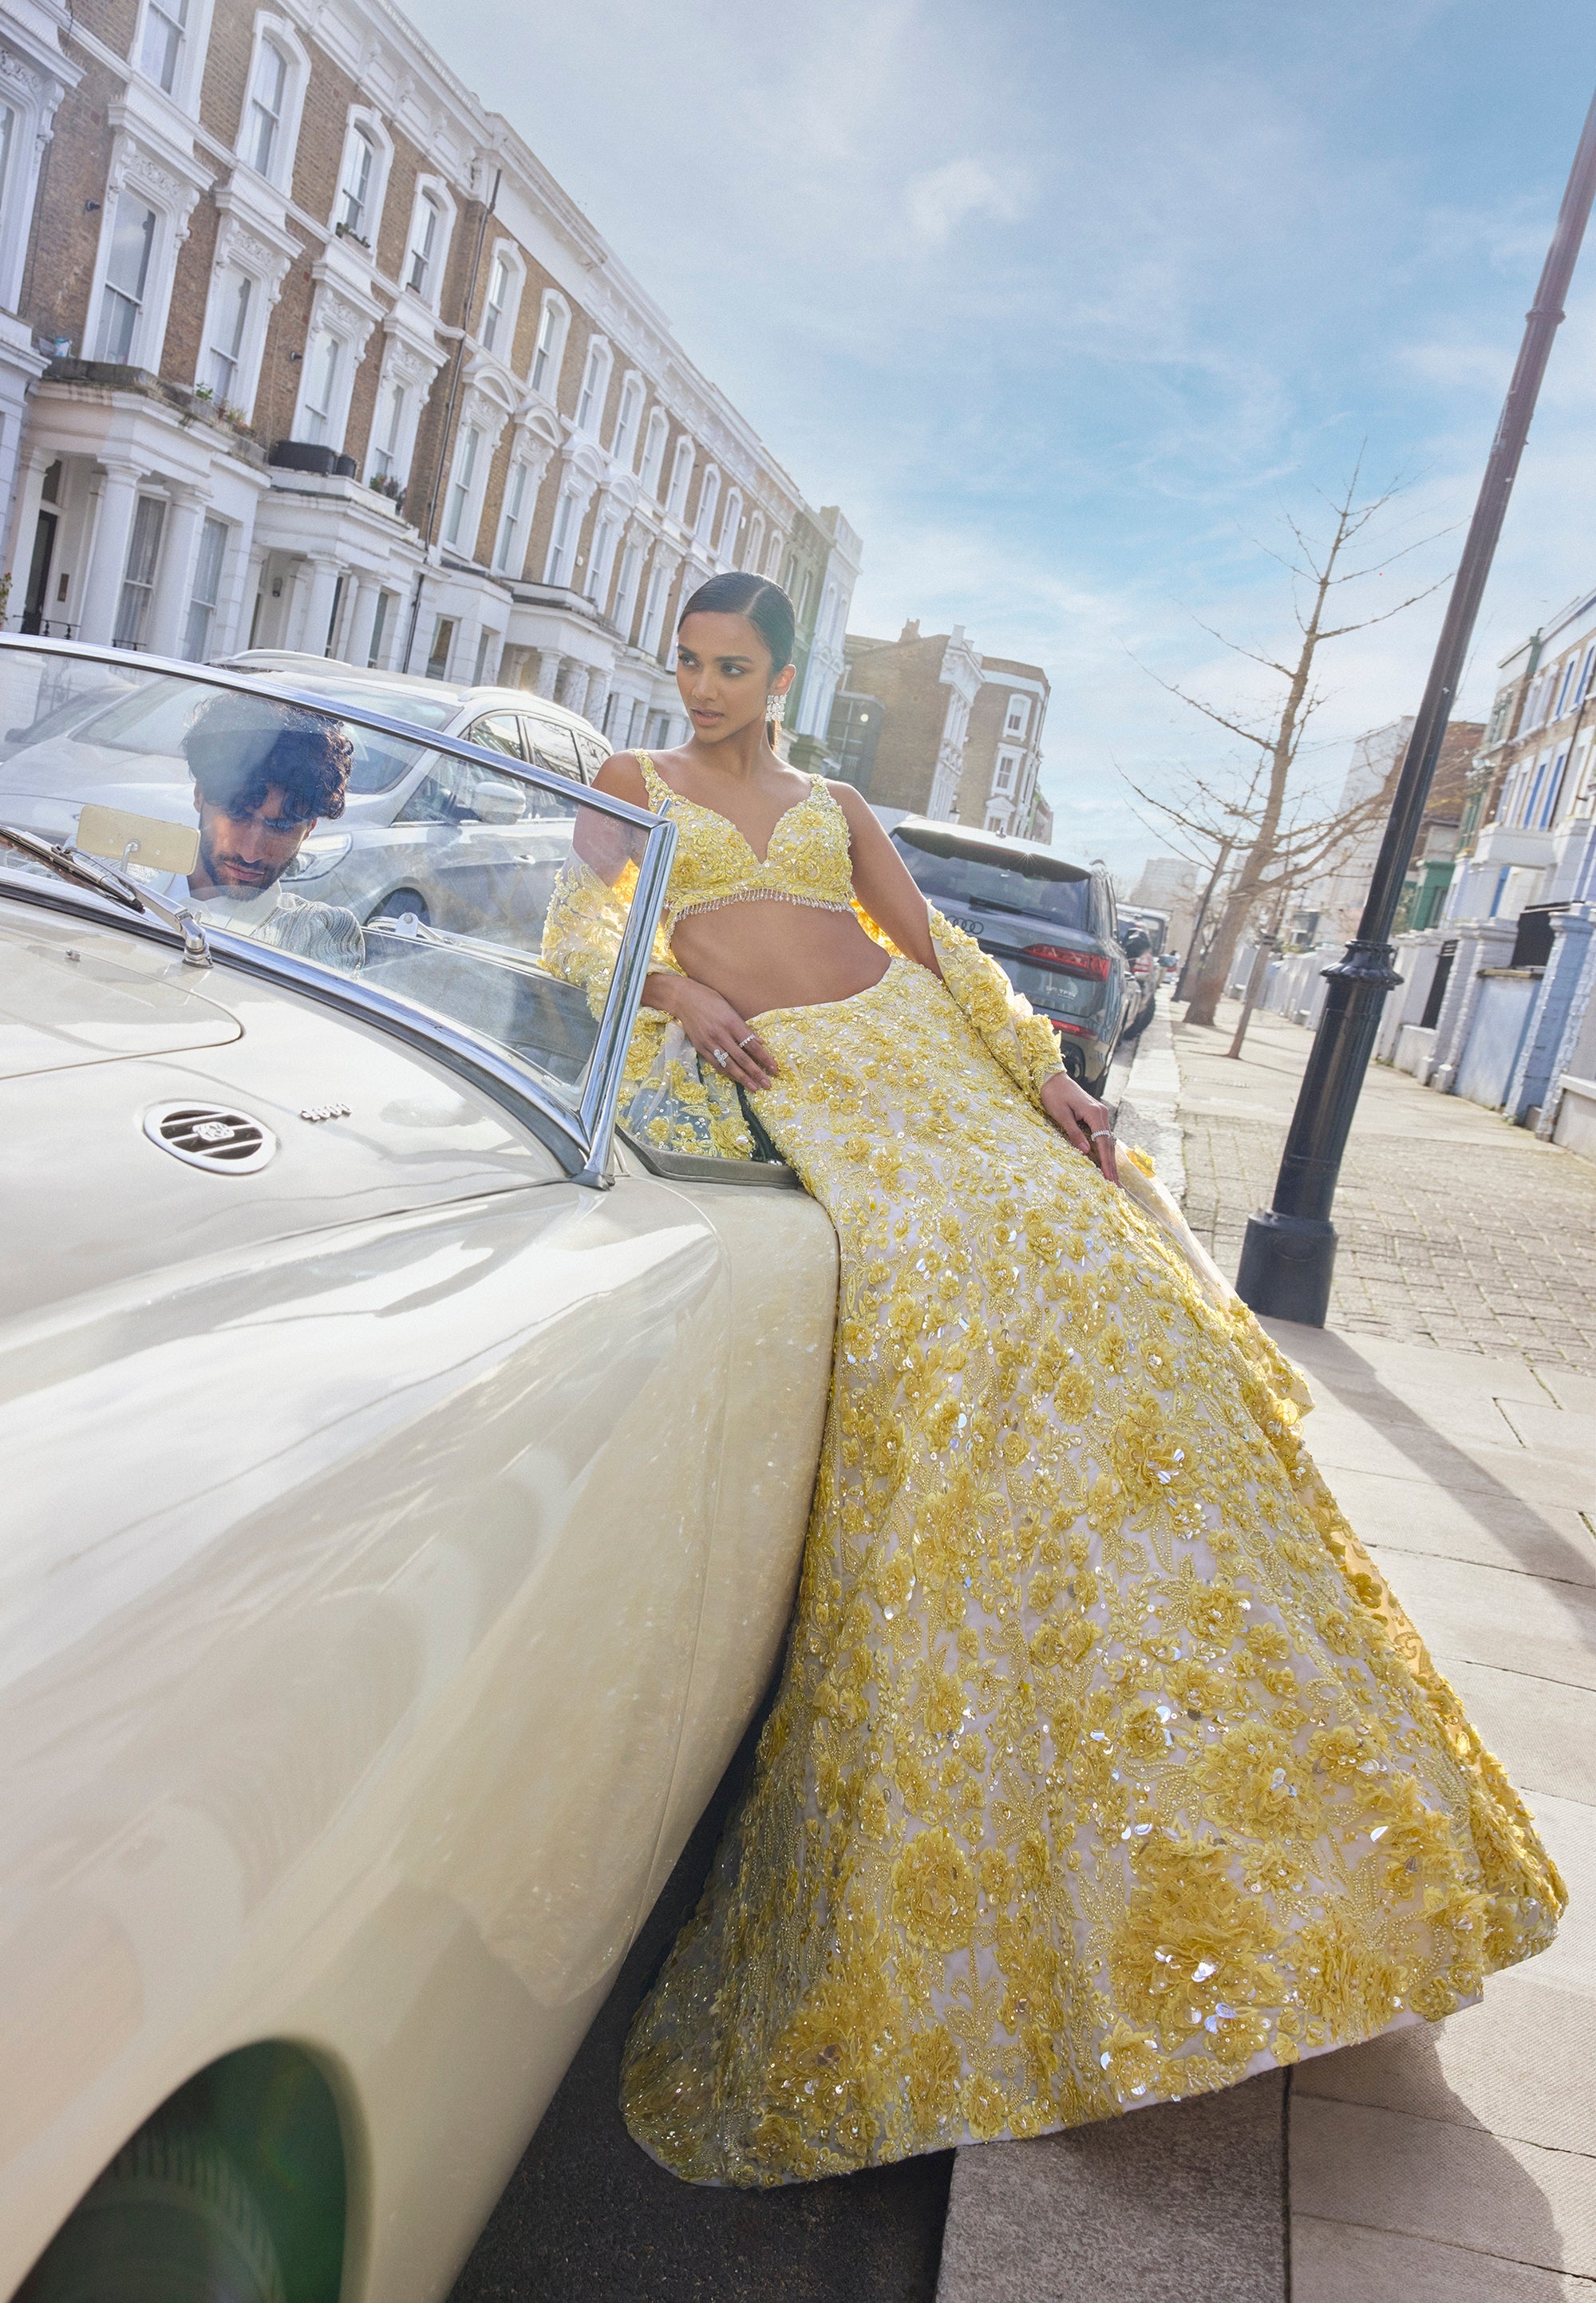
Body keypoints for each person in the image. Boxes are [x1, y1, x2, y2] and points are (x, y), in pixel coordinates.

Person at [543, 572, 1563, 2190]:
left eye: (729, 665)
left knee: (1106, 1286)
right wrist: (682, 990)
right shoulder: (634, 785)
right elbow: (587, 922)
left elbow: (930, 944)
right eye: (685, 661)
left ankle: (1228, 1734)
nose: (698, 688)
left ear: (783, 674)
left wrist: (1051, 1085)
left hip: (924, 1062)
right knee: (943, 1318)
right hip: (815, 1088)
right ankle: (1002, 1666)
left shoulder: (836, 800)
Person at [172, 690, 364, 968]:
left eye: (281, 826)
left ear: (310, 827)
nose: (251, 853)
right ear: (199, 794)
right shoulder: (118, 877)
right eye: (238, 815)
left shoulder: (318, 933)